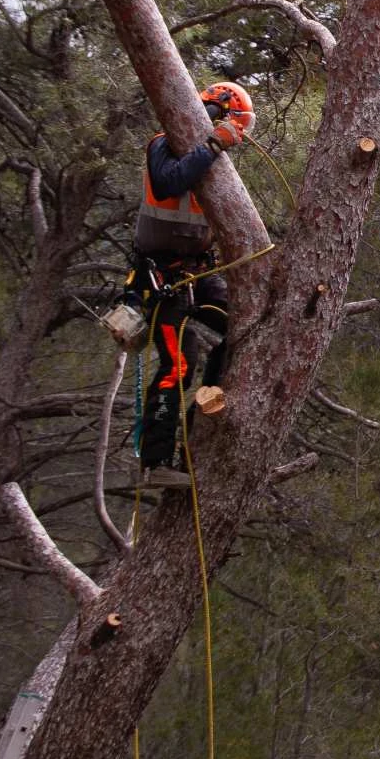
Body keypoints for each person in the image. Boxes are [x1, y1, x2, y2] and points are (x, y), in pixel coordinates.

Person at [130, 81, 255, 487]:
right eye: (232, 123)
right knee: (179, 363)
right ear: (215, 113)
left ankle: (195, 433)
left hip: (199, 274)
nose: (234, 134)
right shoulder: (162, 143)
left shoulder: (216, 164)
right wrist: (214, 145)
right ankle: (156, 461)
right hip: (161, 275)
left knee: (242, 332)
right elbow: (169, 182)